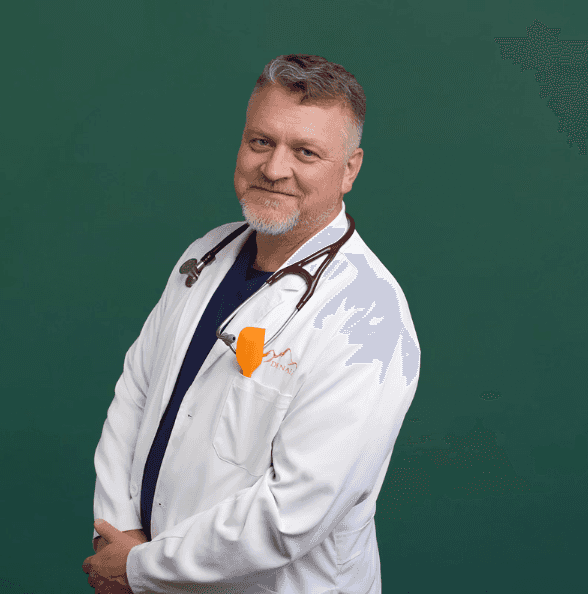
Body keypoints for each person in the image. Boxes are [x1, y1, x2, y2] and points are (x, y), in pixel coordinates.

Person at [82, 54, 420, 594]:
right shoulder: (206, 255)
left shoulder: (368, 318)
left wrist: (142, 567)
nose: (274, 168)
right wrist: (119, 534)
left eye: (305, 152)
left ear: (349, 169)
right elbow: (136, 394)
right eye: (261, 141)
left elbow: (293, 513)